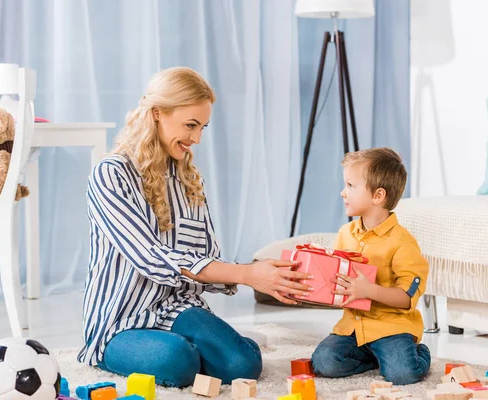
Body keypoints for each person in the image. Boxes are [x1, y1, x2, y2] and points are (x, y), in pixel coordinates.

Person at [77, 67, 313, 388]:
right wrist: (247, 273)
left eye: (202, 127)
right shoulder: (111, 174)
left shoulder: (189, 179)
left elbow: (207, 257)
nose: (196, 138)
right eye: (190, 125)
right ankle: (136, 352)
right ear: (157, 113)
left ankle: (198, 349)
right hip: (122, 320)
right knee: (177, 361)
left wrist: (261, 275)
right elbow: (152, 259)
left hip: (177, 310)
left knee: (243, 363)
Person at [310, 147, 431, 385]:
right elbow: (338, 281)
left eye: (351, 186)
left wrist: (368, 291)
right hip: (353, 328)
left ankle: (419, 352)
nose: (343, 193)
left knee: (403, 374)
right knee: (324, 362)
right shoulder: (346, 233)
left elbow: (407, 297)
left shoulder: (402, 242)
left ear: (377, 196)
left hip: (391, 327)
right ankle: (377, 359)